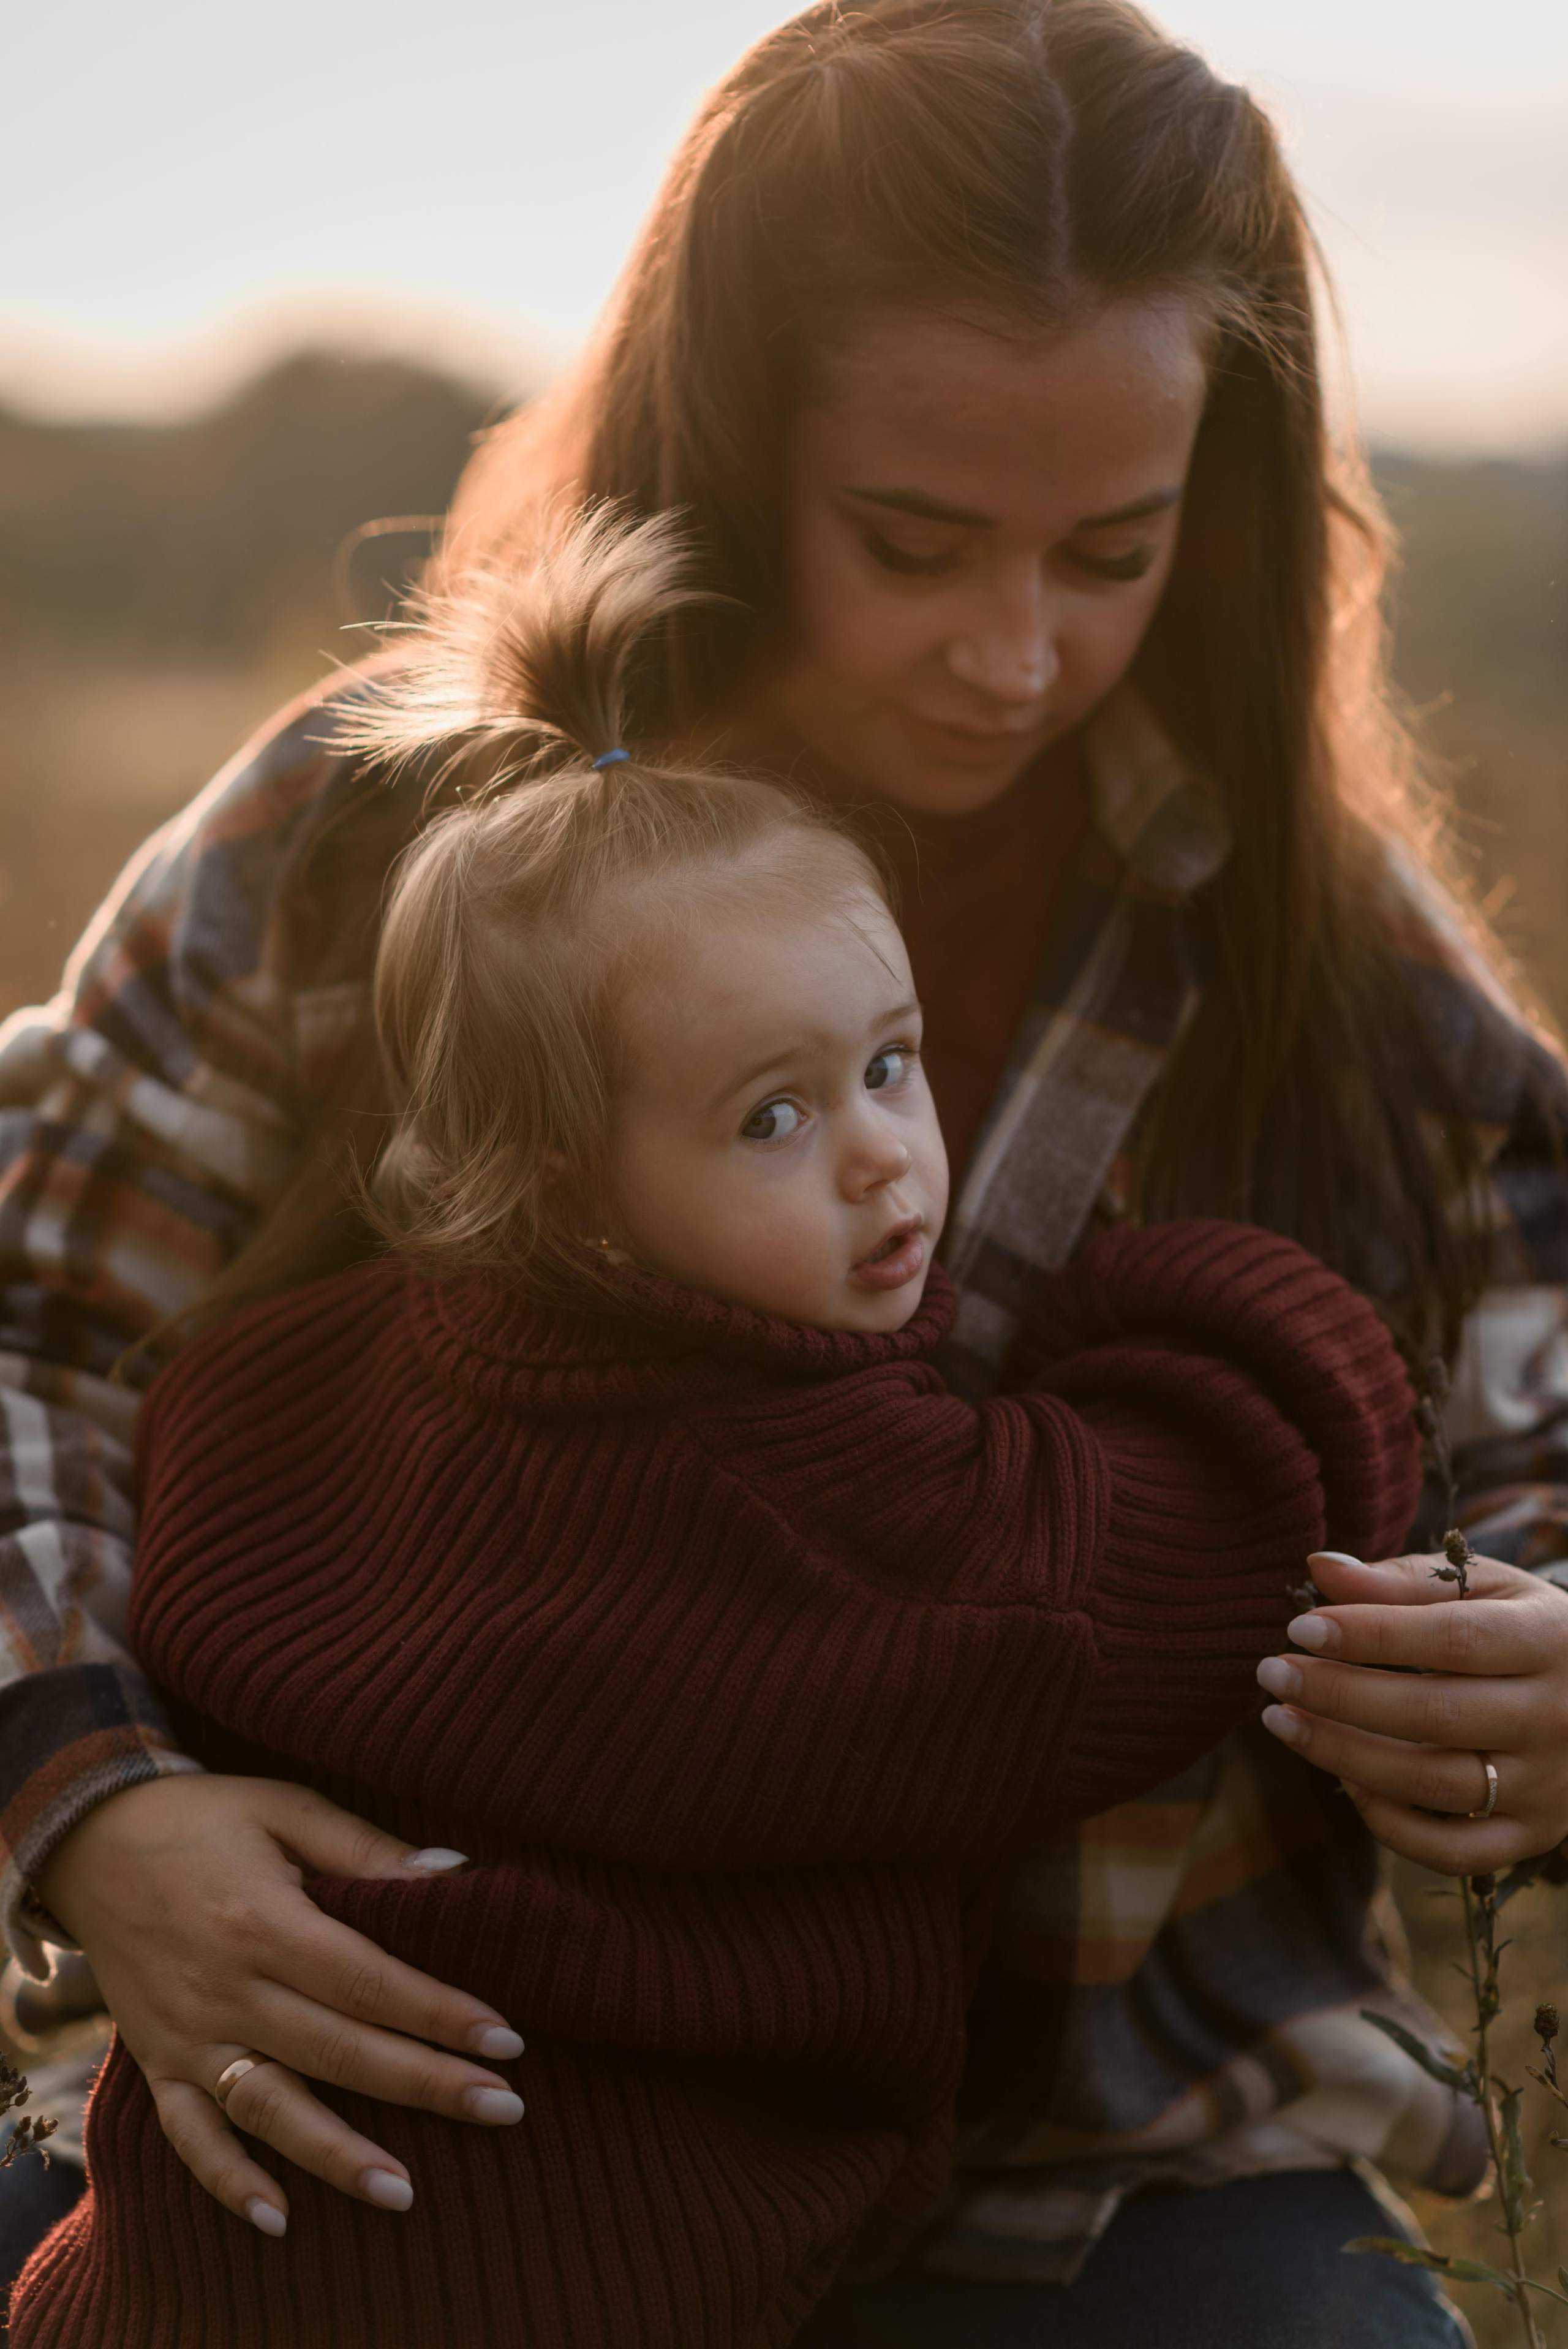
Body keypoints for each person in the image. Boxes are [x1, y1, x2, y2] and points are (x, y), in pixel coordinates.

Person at [2, 2, 1566, 2339]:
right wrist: (93, 1802)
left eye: (1112, 551)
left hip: (1110, 2156)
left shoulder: (1322, 958)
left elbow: (1540, 1435)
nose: (1015, 654)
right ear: (734, 452)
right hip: (429, 2123)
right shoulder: (374, 834)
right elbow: (35, 1321)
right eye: (916, 542)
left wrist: (1543, 1659)